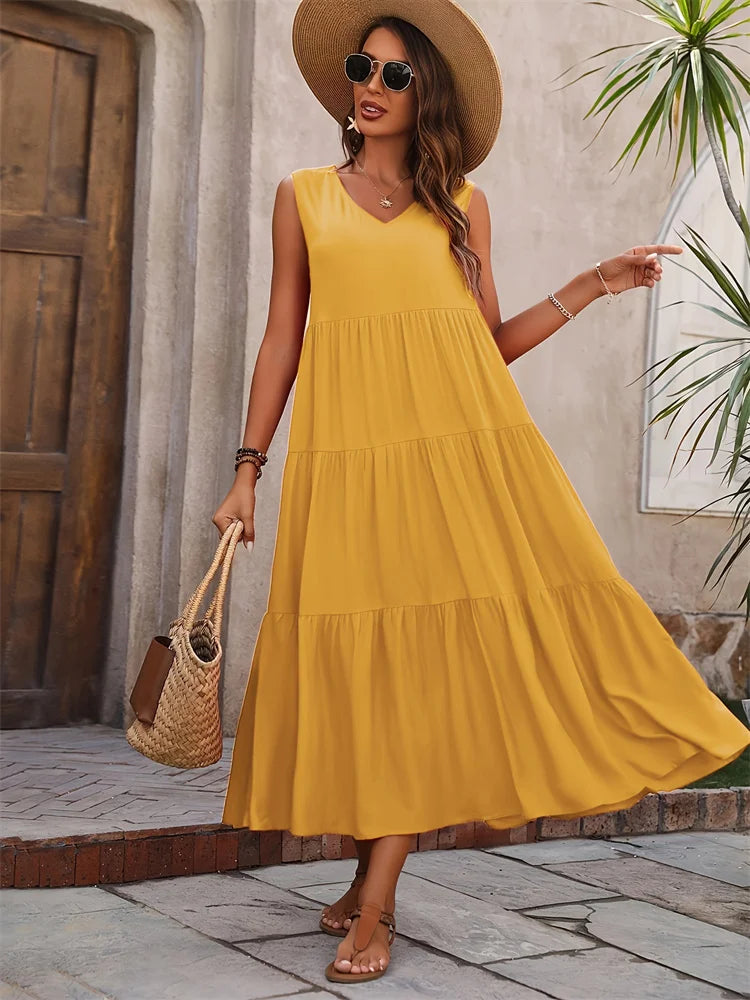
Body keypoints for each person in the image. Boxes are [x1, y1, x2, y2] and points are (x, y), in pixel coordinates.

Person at [214, 0, 750, 984]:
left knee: (422, 677)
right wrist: (246, 472)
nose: (370, 89)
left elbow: (483, 349)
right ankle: (358, 877)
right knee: (362, 676)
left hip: (456, 468)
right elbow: (283, 337)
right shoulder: (302, 196)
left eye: (395, 76)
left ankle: (374, 907)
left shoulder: (462, 205)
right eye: (361, 71)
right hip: (347, 470)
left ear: (430, 98)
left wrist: (592, 282)